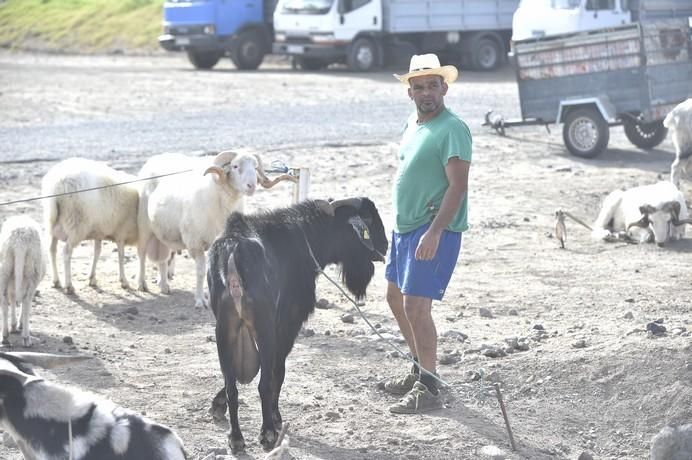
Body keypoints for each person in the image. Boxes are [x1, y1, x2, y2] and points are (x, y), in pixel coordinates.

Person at [380, 54, 472, 414]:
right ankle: (419, 367)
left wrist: (434, 232)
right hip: (404, 228)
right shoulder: (412, 123)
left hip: (432, 230)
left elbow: (457, 187)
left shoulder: (453, 129)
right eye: (418, 87)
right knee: (394, 298)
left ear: (444, 88)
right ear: (410, 93)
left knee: (416, 307)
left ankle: (429, 387)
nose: (426, 93)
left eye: (432, 85)